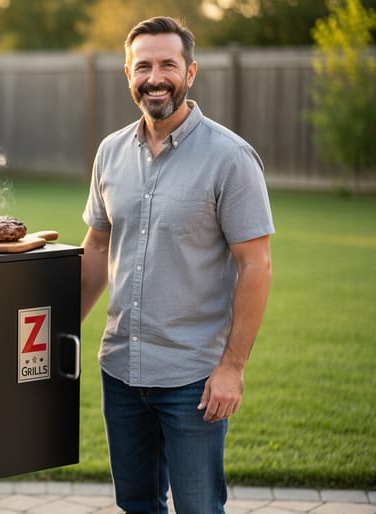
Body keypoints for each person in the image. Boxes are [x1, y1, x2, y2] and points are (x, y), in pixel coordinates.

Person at [79, 16, 274, 514]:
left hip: (193, 376)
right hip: (120, 369)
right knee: (137, 503)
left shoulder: (230, 157)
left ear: (190, 72)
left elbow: (256, 266)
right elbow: (98, 247)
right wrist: (65, 328)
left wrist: (231, 369)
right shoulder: (110, 152)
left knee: (198, 507)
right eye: (143, 65)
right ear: (128, 74)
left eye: (168, 64)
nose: (155, 76)